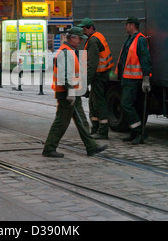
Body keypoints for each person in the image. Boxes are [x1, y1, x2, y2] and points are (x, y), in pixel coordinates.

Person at [42, 27, 107, 158]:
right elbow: (65, 75)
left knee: (81, 120)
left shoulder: (71, 51)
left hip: (72, 92)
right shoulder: (66, 52)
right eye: (79, 38)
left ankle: (91, 146)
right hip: (68, 93)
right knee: (62, 121)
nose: (81, 41)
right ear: (72, 38)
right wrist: (71, 91)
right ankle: (49, 148)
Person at [115, 16, 152, 145]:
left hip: (134, 79)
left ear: (131, 25)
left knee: (126, 105)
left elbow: (145, 59)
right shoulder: (130, 40)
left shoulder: (139, 40)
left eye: (126, 25)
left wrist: (146, 79)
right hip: (127, 78)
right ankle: (134, 132)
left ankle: (139, 131)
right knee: (133, 106)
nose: (125, 27)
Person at [78, 18, 114, 140]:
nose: (84, 31)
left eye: (85, 29)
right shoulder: (96, 37)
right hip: (100, 75)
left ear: (91, 28)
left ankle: (102, 131)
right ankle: (95, 128)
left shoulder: (93, 41)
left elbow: (92, 65)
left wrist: (85, 83)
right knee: (93, 103)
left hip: (98, 76)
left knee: (99, 103)